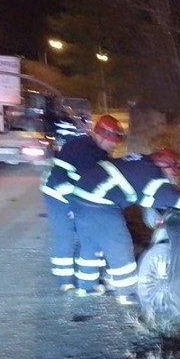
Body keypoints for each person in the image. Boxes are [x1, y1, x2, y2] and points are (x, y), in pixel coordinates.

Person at [70, 150, 180, 305]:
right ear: (166, 167)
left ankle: (86, 287)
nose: (171, 178)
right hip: (99, 204)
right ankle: (127, 293)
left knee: (90, 244)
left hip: (79, 196)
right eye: (172, 173)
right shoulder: (153, 174)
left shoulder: (139, 162)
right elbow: (172, 199)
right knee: (120, 244)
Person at [40, 114, 125, 292]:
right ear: (100, 135)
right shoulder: (84, 151)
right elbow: (83, 184)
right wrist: (73, 207)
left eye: (115, 141)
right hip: (57, 191)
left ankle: (83, 277)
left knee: (82, 233)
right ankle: (65, 281)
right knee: (65, 235)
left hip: (70, 188)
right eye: (111, 141)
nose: (114, 145)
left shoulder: (96, 151)